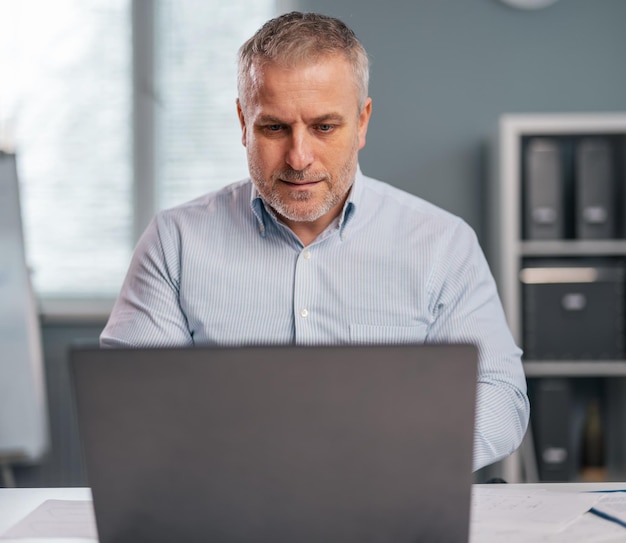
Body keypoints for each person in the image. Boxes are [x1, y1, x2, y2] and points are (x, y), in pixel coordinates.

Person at [101, 11, 529, 472]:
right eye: (274, 128)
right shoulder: (175, 243)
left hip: (391, 503)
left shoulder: (443, 244)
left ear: (362, 122)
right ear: (243, 123)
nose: (299, 158)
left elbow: (500, 397)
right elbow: (132, 404)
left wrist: (388, 452)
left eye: (324, 127)